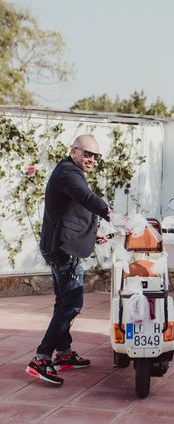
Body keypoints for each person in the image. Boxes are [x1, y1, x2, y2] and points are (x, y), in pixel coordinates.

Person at [26, 135, 112, 386]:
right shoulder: (68, 173)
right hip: (64, 250)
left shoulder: (68, 172)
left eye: (96, 156)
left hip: (61, 246)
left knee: (64, 302)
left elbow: (71, 212)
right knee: (72, 304)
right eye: (88, 154)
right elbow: (86, 199)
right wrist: (111, 215)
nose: (92, 160)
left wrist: (93, 233)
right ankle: (41, 358)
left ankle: (63, 354)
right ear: (73, 151)